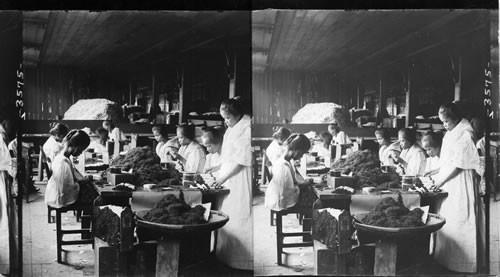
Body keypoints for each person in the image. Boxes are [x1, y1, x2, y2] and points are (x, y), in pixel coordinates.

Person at [431, 103, 483, 273]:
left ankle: (463, 263)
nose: (444, 125)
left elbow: (459, 165)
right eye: (442, 122)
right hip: (449, 178)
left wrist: (440, 182)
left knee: (461, 217)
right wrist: (436, 170)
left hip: (460, 180)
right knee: (449, 219)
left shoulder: (466, 133)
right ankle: (447, 259)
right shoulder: (452, 132)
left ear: (456, 118)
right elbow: (449, 159)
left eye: (446, 121)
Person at [214, 97, 253, 270]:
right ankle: (225, 255)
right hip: (229, 175)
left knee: (240, 213)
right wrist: (217, 167)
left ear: (237, 115)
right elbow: (229, 154)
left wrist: (222, 178)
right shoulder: (232, 126)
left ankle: (242, 261)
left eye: (227, 118)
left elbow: (241, 160)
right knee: (227, 213)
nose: (225, 121)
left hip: (239, 177)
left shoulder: (247, 127)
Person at [45, 130, 98, 208]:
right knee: (96, 197)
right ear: (75, 146)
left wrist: (80, 180)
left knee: (89, 188)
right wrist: (82, 182)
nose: (81, 153)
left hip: (56, 194)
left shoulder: (61, 156)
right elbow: (65, 189)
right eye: (82, 149)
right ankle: (88, 217)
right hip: (61, 198)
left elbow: (65, 181)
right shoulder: (63, 162)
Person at [265, 133, 315, 211]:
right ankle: (309, 221)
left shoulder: (286, 161)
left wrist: (301, 184)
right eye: (302, 153)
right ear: (297, 150)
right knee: (315, 201)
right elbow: (285, 194)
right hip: (282, 202)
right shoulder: (283, 167)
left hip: (279, 197)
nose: (301, 156)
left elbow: (289, 185)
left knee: (310, 191)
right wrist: (303, 186)